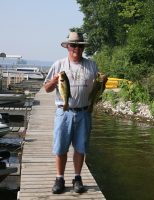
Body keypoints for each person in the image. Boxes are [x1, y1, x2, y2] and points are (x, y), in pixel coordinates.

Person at [44, 31, 106, 194]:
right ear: (67, 47)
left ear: (83, 48)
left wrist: (103, 82)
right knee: (60, 148)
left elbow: (99, 89)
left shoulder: (91, 65)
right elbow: (47, 88)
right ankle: (59, 178)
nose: (76, 48)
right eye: (73, 45)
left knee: (80, 147)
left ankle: (77, 178)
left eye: (79, 46)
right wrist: (54, 79)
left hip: (85, 112)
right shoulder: (59, 65)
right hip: (63, 112)